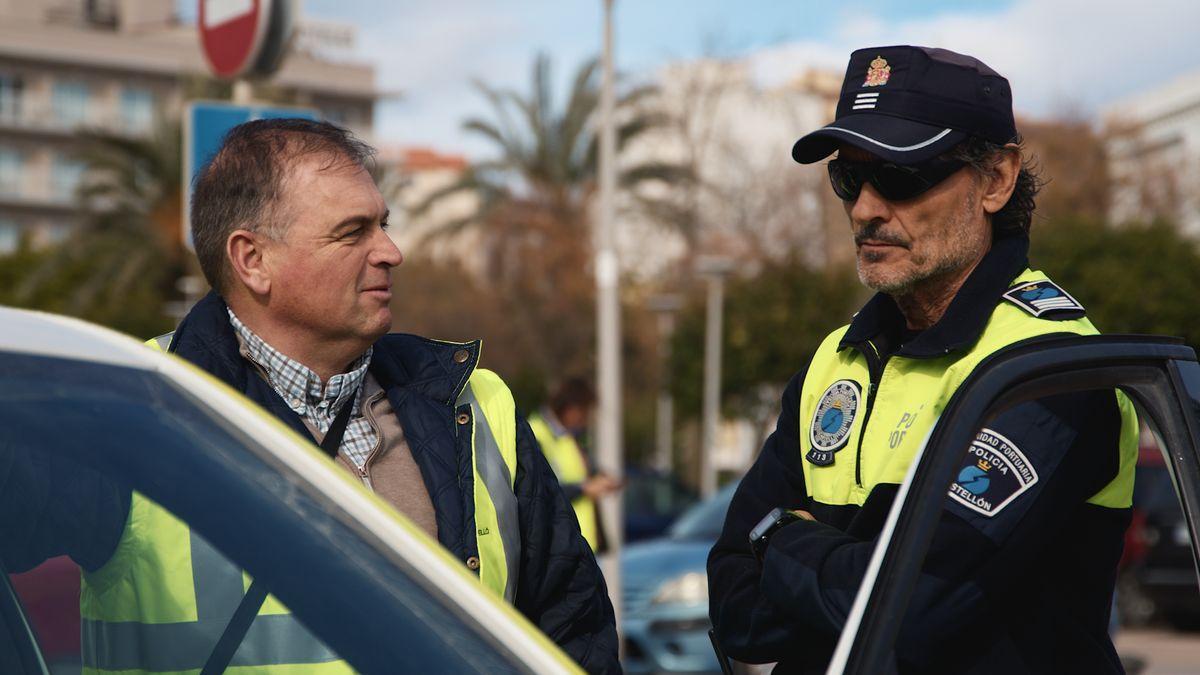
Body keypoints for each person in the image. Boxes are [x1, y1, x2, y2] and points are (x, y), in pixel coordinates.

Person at [3, 119, 619, 674]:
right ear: (252, 260)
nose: (391, 251)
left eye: (384, 224)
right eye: (353, 232)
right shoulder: (134, 403)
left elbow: (570, 629)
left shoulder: (477, 401)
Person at [707, 46, 1138, 674]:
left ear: (996, 179)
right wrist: (860, 563)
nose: (865, 209)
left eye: (902, 176)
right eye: (849, 179)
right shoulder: (836, 359)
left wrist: (779, 539)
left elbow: (911, 612)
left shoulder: (1048, 366)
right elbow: (735, 609)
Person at [528, 378, 622, 552]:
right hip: (557, 546)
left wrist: (601, 478)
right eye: (585, 413)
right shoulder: (537, 434)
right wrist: (584, 488)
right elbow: (539, 489)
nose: (585, 420)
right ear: (571, 408)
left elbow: (579, 473)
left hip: (576, 544)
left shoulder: (568, 437)